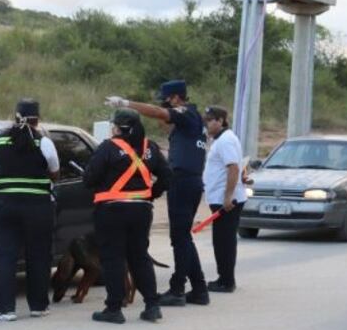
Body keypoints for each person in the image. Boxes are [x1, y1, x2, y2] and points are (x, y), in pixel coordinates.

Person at [105, 80, 209, 307]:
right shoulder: (191, 121)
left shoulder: (184, 113)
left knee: (179, 238)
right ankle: (199, 289)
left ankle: (178, 289)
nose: (164, 120)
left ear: (174, 99)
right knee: (183, 237)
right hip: (189, 181)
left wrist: (126, 103)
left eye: (166, 106)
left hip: (182, 181)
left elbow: (157, 112)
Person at [83, 108, 172, 324]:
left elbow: (89, 178)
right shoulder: (149, 147)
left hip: (111, 211)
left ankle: (114, 308)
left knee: (113, 258)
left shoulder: (108, 148)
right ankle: (152, 305)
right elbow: (167, 175)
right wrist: (151, 195)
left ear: (118, 128)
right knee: (139, 256)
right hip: (141, 211)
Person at [0, 99, 60, 321]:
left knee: (6, 256)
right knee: (38, 255)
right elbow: (55, 171)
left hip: (2, 206)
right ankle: (38, 306)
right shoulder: (43, 143)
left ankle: (5, 309)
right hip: (38, 206)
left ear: (14, 116)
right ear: (37, 119)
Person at [201, 106, 247, 293]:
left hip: (226, 200)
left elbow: (233, 168)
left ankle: (226, 281)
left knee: (224, 241)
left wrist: (228, 196)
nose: (207, 123)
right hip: (221, 197)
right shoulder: (222, 139)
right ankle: (224, 278)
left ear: (220, 121)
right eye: (206, 119)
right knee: (221, 240)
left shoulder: (225, 141)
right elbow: (238, 165)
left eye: (211, 120)